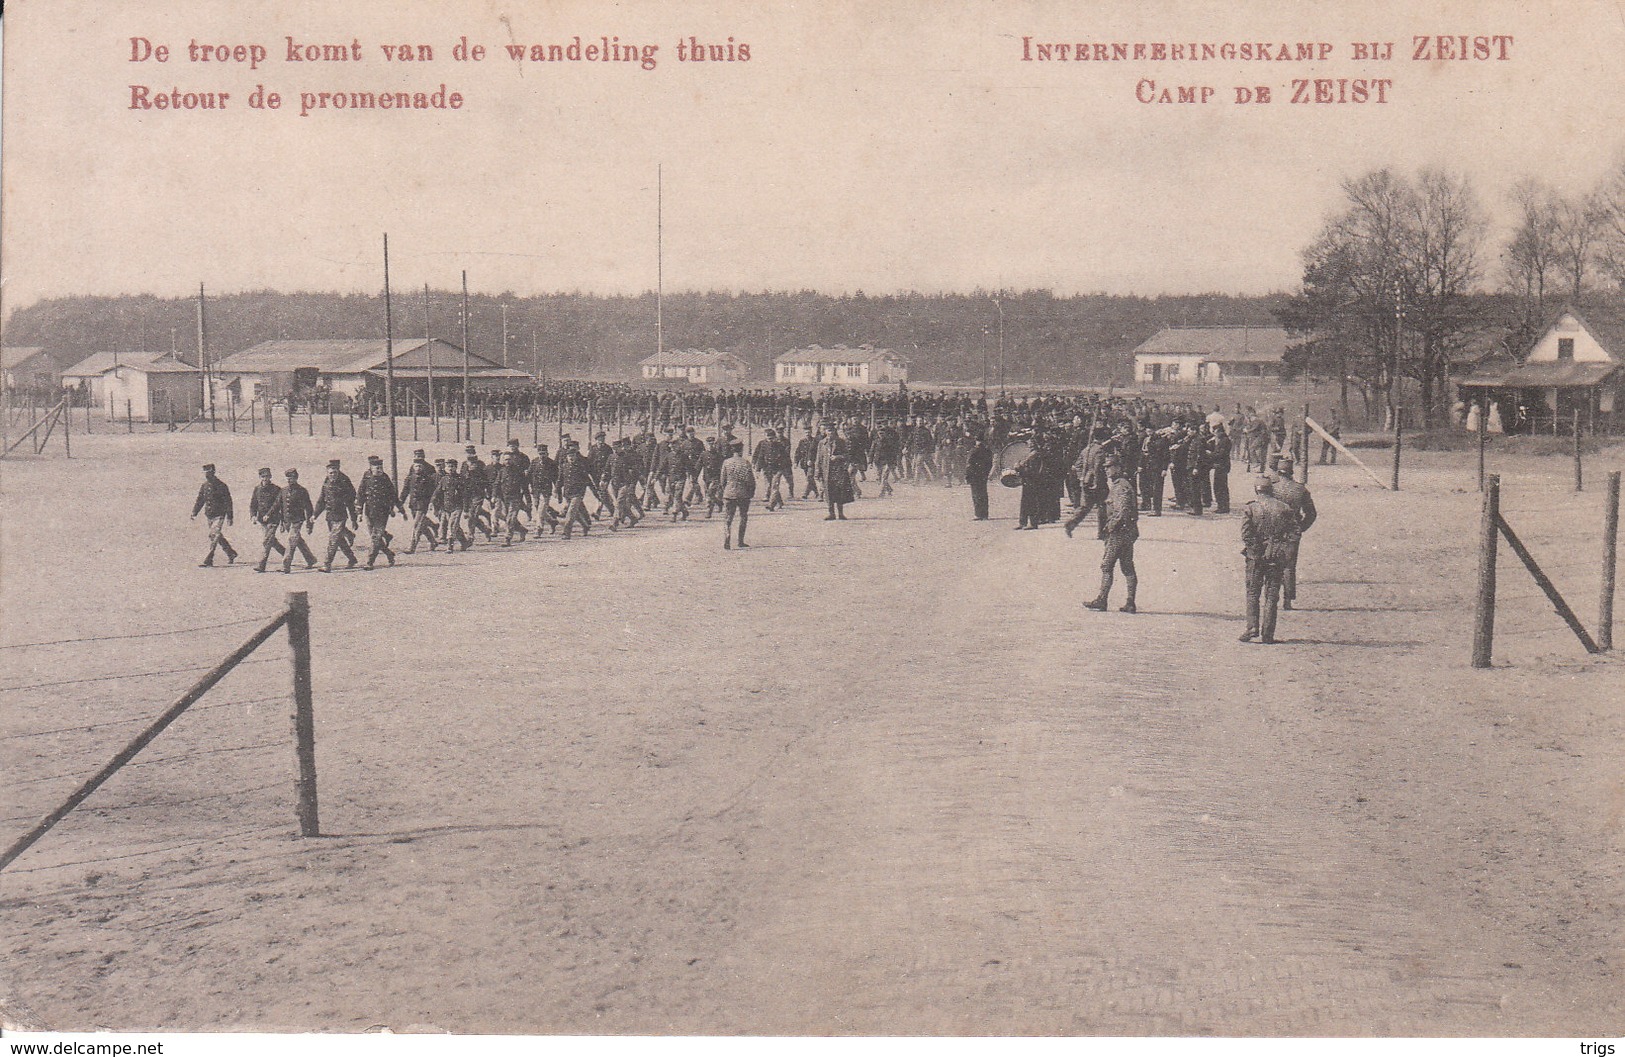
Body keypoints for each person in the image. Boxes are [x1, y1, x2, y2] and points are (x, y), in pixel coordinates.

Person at [1239, 476, 1298, 644]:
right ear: (1271, 490)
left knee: (1253, 592)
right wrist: (1285, 549)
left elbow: (1246, 534)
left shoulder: (1251, 508)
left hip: (1256, 558)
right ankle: (1268, 633)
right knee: (1272, 595)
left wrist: (1256, 551)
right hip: (1276, 556)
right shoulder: (1284, 508)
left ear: (1257, 491)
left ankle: (1252, 627)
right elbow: (1295, 532)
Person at [1083, 459, 1139, 613]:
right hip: (1127, 532)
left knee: (1107, 565)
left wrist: (1111, 527)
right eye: (1106, 468)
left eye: (1110, 467)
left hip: (1118, 533)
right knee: (1127, 566)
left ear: (1118, 468)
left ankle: (1102, 600)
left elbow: (1123, 510)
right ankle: (1130, 602)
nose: (1107, 470)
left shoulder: (1120, 487)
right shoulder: (1119, 484)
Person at [1269, 455, 1317, 610]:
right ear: (1291, 472)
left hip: (1273, 530)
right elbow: (1311, 514)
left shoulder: (1271, 488)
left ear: (1278, 472)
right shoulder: (1300, 489)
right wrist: (1301, 527)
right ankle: (1288, 600)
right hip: (1292, 530)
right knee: (1289, 565)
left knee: (1272, 563)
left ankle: (1271, 597)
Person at [313, 458, 359, 572]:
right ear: (327, 473)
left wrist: (354, 519)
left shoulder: (343, 483)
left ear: (338, 472)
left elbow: (350, 503)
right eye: (330, 473)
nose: (333, 475)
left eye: (335, 472)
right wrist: (315, 515)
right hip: (329, 516)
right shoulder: (326, 483)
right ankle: (352, 559)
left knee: (333, 540)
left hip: (340, 516)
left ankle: (327, 564)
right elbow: (321, 501)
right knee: (339, 540)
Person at [357, 454, 402, 569]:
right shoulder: (366, 478)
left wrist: (397, 508)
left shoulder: (385, 478)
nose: (379, 470)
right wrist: (359, 513)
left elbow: (393, 495)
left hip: (382, 513)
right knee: (375, 536)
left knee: (375, 538)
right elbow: (360, 495)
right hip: (369, 512)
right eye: (377, 468)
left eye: (381, 468)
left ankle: (369, 562)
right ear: (371, 469)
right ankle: (389, 554)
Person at [190, 463, 237, 567]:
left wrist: (230, 517)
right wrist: (194, 512)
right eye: (205, 473)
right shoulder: (204, 486)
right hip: (209, 514)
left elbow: (228, 502)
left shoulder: (222, 486)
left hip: (219, 515)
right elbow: (200, 500)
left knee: (213, 535)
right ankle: (230, 553)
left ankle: (208, 559)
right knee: (217, 535)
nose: (207, 475)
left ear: (214, 472)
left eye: (209, 472)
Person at [276, 468, 317, 574]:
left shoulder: (302, 491)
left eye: (292, 478)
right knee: (298, 540)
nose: (289, 480)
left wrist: (309, 524)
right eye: (288, 478)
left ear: (296, 478)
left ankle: (286, 564)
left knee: (291, 540)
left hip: (297, 520)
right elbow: (279, 506)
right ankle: (310, 559)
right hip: (287, 521)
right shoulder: (283, 490)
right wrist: (281, 522)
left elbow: (309, 508)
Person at [400, 449, 440, 553]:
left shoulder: (429, 474)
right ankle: (433, 541)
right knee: (422, 524)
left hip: (423, 504)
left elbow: (434, 489)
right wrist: (401, 502)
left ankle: (412, 547)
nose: (418, 466)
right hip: (413, 504)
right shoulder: (410, 477)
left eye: (420, 456)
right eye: (416, 465)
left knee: (417, 525)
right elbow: (406, 490)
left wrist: (433, 502)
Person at [720, 438, 755, 549]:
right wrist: (750, 492)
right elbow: (750, 480)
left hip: (729, 493)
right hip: (743, 493)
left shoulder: (726, 462)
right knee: (743, 517)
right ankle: (740, 541)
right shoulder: (745, 463)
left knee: (728, 518)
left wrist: (725, 490)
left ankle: (727, 536)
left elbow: (722, 480)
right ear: (741, 450)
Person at [248, 467, 284, 574]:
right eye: (263, 477)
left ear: (270, 477)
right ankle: (286, 554)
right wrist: (253, 516)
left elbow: (277, 505)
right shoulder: (257, 489)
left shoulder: (277, 489)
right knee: (271, 541)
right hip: (262, 521)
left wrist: (269, 515)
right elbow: (253, 504)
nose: (265, 479)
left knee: (267, 541)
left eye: (267, 476)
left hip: (273, 519)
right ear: (260, 477)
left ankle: (261, 565)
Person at [817, 422, 855, 520]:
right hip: (826, 471)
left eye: (832, 431)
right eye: (828, 431)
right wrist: (817, 472)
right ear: (825, 432)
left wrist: (838, 457)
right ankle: (831, 513)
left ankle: (841, 513)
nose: (830, 433)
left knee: (839, 492)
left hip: (839, 471)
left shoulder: (840, 442)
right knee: (828, 493)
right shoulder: (822, 443)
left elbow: (847, 456)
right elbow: (819, 459)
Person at [966, 433, 993, 520]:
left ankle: (978, 514)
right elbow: (990, 463)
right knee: (983, 494)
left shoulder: (973, 451)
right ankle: (985, 514)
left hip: (974, 475)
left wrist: (967, 475)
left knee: (976, 494)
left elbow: (969, 464)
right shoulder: (987, 450)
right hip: (983, 474)